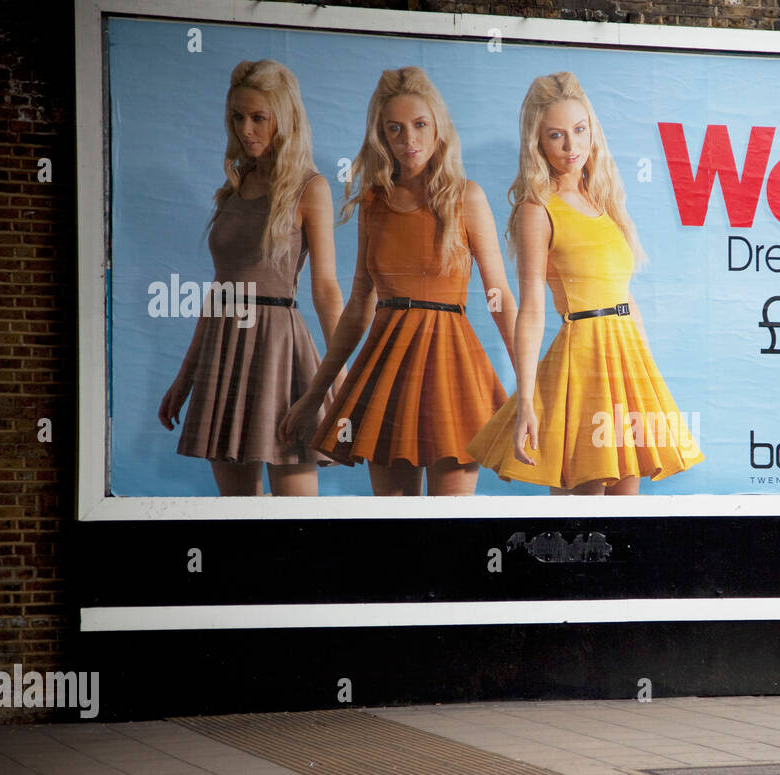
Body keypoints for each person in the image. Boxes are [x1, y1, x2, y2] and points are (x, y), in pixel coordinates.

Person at [279, 67, 516, 495]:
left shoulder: (467, 197)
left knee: (451, 529)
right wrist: (314, 394)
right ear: (382, 137)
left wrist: (531, 390)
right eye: (396, 129)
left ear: (437, 125)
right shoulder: (373, 203)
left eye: (420, 125)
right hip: (386, 371)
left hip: (453, 368)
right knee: (397, 531)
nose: (410, 140)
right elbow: (357, 307)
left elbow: (499, 297)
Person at [466, 71, 702, 494]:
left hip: (627, 362)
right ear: (538, 141)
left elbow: (624, 297)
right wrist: (526, 402)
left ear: (593, 130)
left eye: (579, 130)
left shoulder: (606, 201)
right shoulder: (537, 210)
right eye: (556, 135)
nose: (571, 146)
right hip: (581, 364)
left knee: (625, 510)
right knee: (580, 514)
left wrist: (649, 379)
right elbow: (533, 308)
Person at [159, 59, 342, 495]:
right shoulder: (233, 187)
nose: (246, 129)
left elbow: (326, 290)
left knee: (297, 521)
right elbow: (220, 291)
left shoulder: (310, 187)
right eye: (238, 118)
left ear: (285, 117)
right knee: (237, 515)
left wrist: (343, 377)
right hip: (223, 350)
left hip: (280, 348)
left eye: (259, 118)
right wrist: (185, 377)